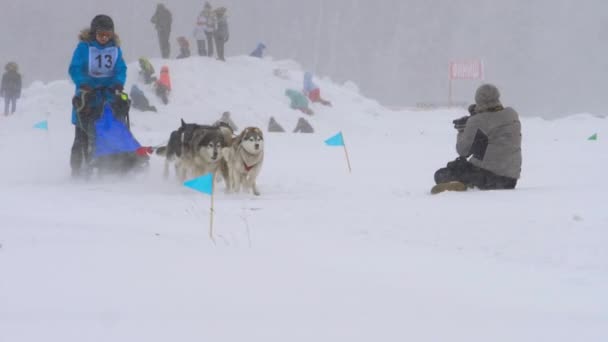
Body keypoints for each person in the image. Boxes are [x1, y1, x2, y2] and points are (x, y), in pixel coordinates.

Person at [431, 84, 522, 194]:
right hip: (509, 180)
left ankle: (464, 184)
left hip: (486, 177)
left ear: (478, 99)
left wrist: (462, 130)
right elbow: (494, 122)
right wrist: (477, 113)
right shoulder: (512, 114)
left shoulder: (477, 121)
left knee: (440, 175)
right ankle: (466, 183)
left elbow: (462, 151)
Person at [68, 14, 127, 177]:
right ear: (94, 32)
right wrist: (84, 83)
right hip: (87, 97)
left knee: (108, 133)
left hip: (108, 97)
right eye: (101, 34)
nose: (104, 38)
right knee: (82, 136)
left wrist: (118, 83)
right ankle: (77, 170)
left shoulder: (115, 48)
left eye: (107, 34)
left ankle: (108, 167)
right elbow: (74, 68)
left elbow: (121, 68)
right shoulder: (84, 47)